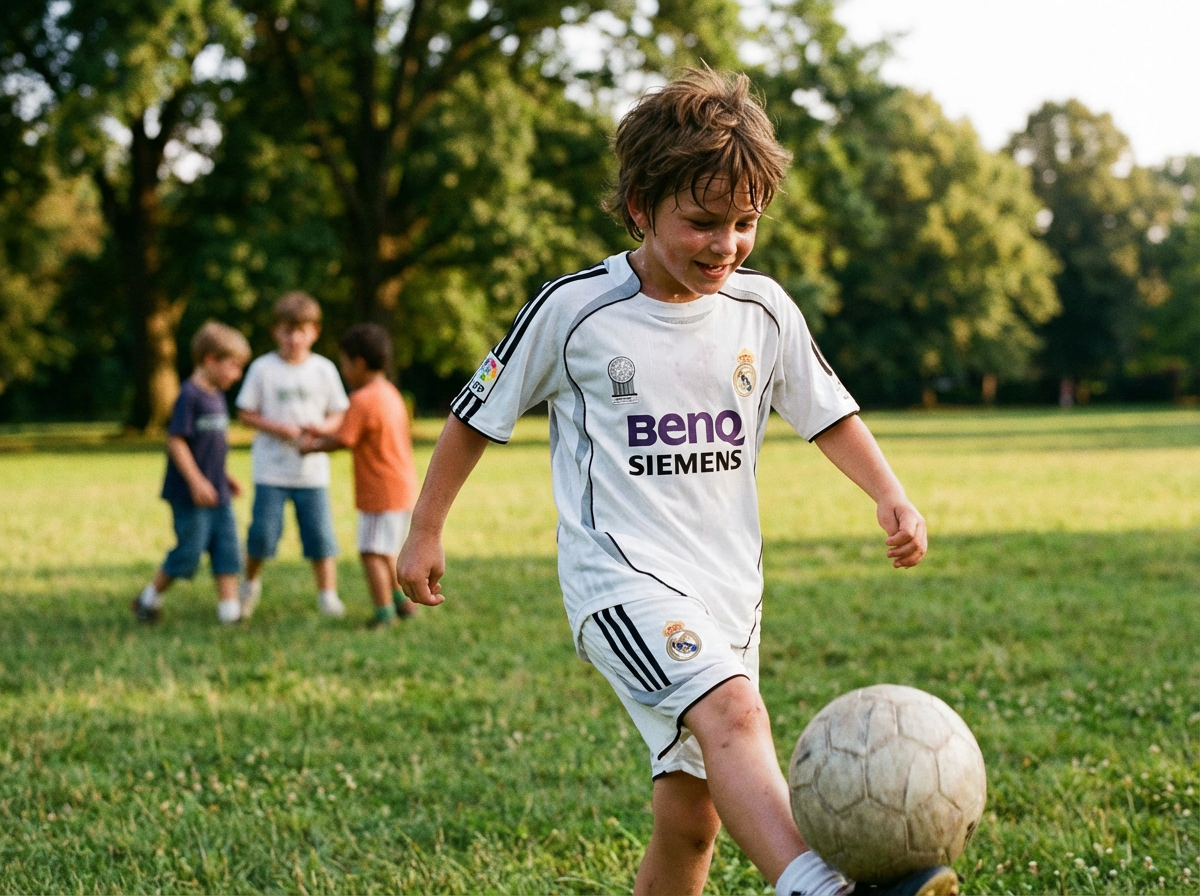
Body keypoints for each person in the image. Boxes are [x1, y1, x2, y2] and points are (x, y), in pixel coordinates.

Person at [396, 68, 951, 896]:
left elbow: (826, 411)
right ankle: (818, 888)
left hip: (728, 595)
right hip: (619, 583)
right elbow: (477, 413)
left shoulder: (763, 313)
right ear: (640, 209)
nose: (724, 245)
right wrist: (426, 527)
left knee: (692, 822)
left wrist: (889, 492)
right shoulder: (576, 310)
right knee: (736, 715)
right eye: (701, 222)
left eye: (744, 223)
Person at [235, 291, 350, 619]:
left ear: (315, 331)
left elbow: (339, 413)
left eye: (302, 330)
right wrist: (277, 428)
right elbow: (246, 412)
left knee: (320, 535)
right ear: (275, 331)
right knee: (262, 534)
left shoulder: (323, 370)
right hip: (271, 470)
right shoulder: (262, 369)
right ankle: (249, 586)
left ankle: (328, 595)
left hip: (312, 472)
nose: (295, 338)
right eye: (288, 330)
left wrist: (321, 427)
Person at [299, 323, 420, 628]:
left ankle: (384, 614)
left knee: (371, 553)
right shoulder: (390, 393)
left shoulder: (362, 398)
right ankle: (402, 603)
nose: (343, 371)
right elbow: (353, 431)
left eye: (344, 363)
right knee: (386, 551)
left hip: (379, 491)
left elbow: (344, 439)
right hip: (401, 486)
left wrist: (311, 447)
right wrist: (321, 431)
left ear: (359, 363)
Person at [132, 321, 251, 625]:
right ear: (210, 359)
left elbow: (214, 446)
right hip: (189, 494)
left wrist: (223, 476)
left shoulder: (217, 396)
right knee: (189, 551)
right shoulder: (190, 396)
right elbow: (177, 441)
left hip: (217, 492)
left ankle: (230, 612)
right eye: (233, 367)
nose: (236, 375)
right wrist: (197, 481)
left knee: (227, 549)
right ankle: (148, 600)